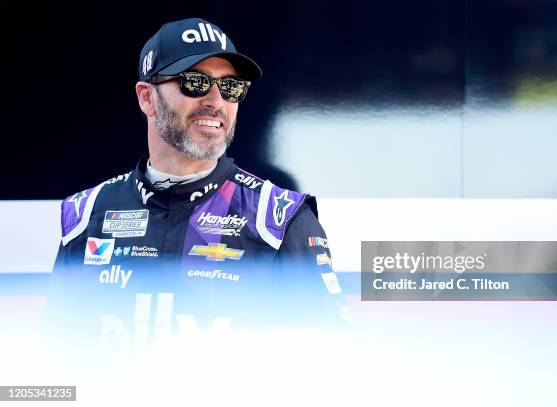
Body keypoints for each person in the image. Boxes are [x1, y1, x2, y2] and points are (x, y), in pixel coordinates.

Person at [51, 18, 343, 332]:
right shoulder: (87, 216)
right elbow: (52, 360)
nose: (216, 102)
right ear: (147, 97)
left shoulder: (279, 220)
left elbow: (334, 360)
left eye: (230, 87)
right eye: (195, 82)